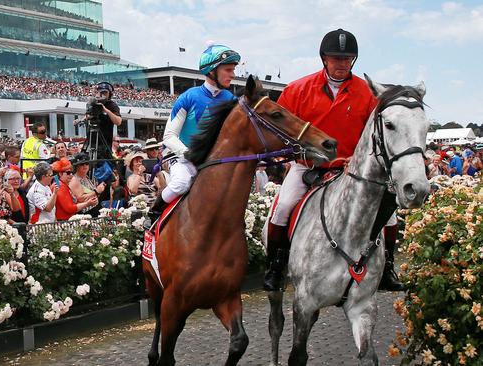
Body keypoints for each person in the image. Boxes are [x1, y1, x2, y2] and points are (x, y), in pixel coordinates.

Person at [262, 28, 403, 292]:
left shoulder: (367, 93)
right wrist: (296, 152)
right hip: (308, 166)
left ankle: (388, 268)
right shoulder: (296, 89)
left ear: (353, 60)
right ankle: (276, 266)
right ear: (324, 58)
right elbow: (279, 130)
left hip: (352, 169)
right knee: (282, 209)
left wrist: (360, 158)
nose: (342, 63)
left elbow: (375, 135)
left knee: (391, 215)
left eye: (347, 58)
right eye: (336, 58)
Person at [147, 44, 241, 223]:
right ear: (212, 71)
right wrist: (189, 154)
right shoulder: (189, 96)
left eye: (233, 70)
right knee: (181, 183)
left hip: (211, 159)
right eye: (228, 70)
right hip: (180, 156)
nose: (233, 75)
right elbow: (168, 136)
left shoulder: (231, 100)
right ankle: (154, 212)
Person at [85, 82, 122, 159]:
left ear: (110, 94)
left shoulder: (112, 105)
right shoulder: (93, 103)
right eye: (101, 92)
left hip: (105, 142)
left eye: (105, 92)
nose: (103, 94)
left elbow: (118, 122)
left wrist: (106, 110)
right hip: (91, 139)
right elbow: (87, 116)